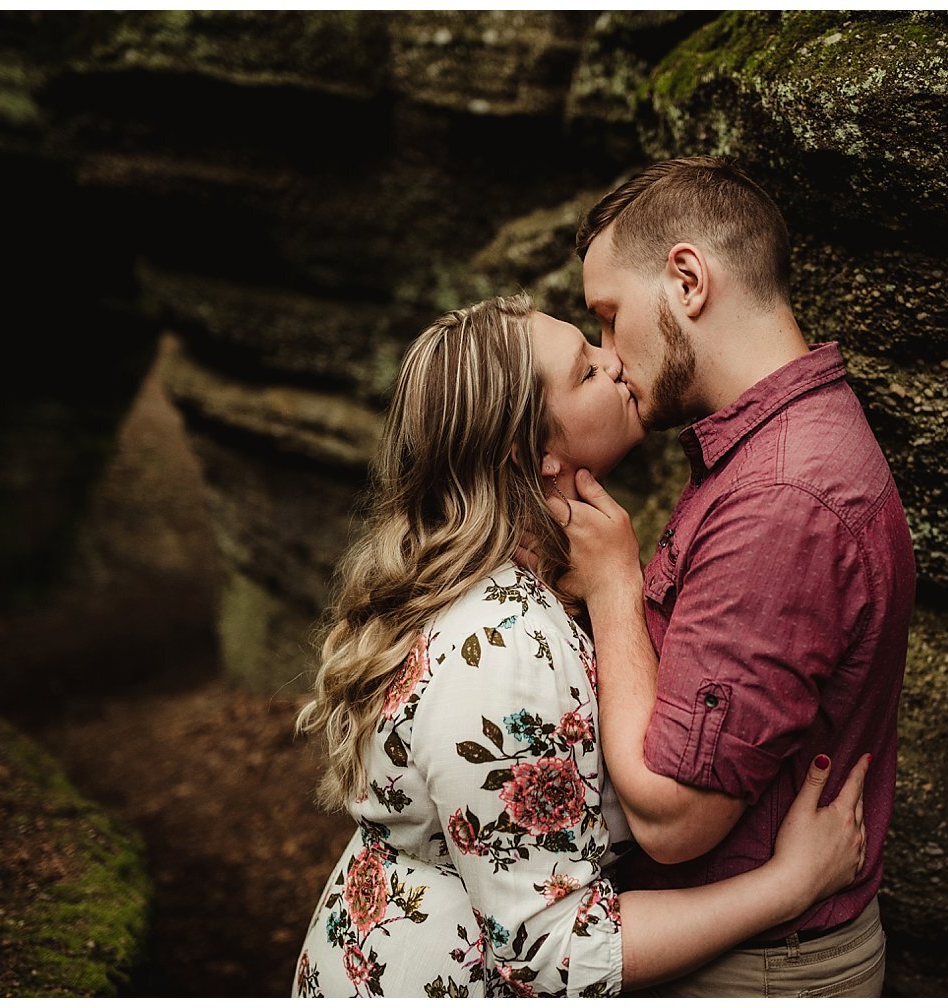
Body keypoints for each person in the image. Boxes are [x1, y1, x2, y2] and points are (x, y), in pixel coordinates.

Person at [290, 292, 871, 997]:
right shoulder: (503, 647)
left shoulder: (521, 593)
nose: (615, 360)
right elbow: (556, 955)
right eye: (585, 372)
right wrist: (789, 885)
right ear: (530, 453)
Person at [543, 156, 917, 996]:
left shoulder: (782, 499)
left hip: (757, 966)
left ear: (686, 279)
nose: (608, 353)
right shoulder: (764, 449)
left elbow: (674, 819)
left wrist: (610, 584)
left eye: (608, 317)